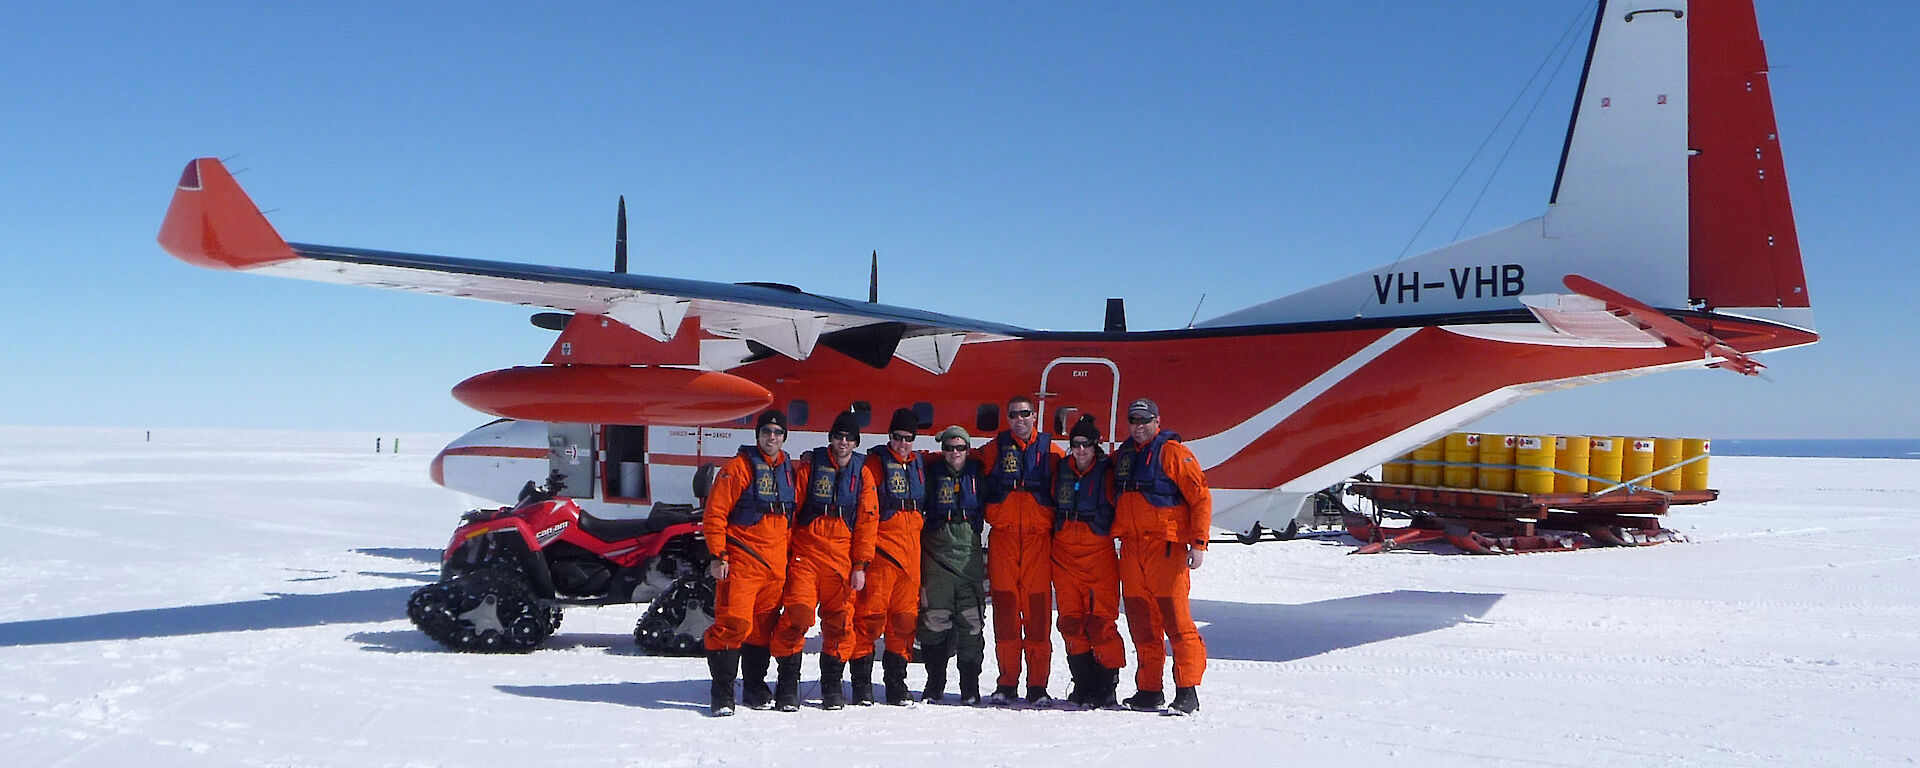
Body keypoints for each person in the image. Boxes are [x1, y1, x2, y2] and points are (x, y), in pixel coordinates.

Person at [1110, 398, 1212, 716]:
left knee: (1177, 623)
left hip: (1165, 549)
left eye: (1144, 420)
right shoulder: (1123, 456)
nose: (1138, 426)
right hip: (1131, 549)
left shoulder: (1174, 454)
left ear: (1157, 421)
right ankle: (1149, 689)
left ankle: (1187, 691)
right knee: (1142, 624)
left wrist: (1198, 544)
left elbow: (1201, 498)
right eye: (1133, 420)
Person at [770, 410, 878, 711]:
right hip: (807, 554)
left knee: (841, 623)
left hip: (842, 560)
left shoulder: (863, 474)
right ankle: (787, 686)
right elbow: (791, 511)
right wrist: (785, 554)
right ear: (831, 438)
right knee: (798, 614)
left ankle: (832, 686)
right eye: (838, 436)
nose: (843, 442)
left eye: (849, 438)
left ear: (855, 442)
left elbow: (868, 523)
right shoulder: (811, 466)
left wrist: (861, 565)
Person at [701, 410, 797, 717]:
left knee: (761, 630)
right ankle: (722, 694)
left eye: (777, 432)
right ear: (757, 435)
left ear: (784, 437)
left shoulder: (788, 470)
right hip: (743, 561)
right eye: (766, 431)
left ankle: (755, 687)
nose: (772, 437)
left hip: (774, 566)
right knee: (734, 625)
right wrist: (718, 555)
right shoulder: (738, 468)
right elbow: (715, 514)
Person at [973, 394, 1063, 706]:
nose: (1019, 419)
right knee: (1006, 617)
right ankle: (1007, 683)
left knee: (1037, 618)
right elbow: (961, 461)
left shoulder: (1052, 453)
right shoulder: (994, 450)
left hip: (1039, 541)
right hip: (1004, 540)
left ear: (1035, 416)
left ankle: (1037, 687)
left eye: (1024, 413)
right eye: (1013, 414)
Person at [851, 408, 927, 705]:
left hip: (911, 560)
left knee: (905, 623)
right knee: (869, 619)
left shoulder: (920, 463)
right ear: (889, 436)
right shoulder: (873, 464)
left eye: (907, 438)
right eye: (897, 437)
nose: (901, 444)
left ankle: (896, 683)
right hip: (882, 555)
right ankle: (861, 685)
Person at [1050, 414, 1124, 709]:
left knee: (1101, 624)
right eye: (1076, 444)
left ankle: (1106, 685)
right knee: (1070, 622)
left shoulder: (1109, 472)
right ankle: (1082, 682)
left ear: (1096, 446)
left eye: (1086, 445)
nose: (1081, 451)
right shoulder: (1060, 470)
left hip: (1098, 557)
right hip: (1065, 556)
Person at [918, 425, 987, 705]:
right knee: (935, 622)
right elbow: (904, 455)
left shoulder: (979, 474)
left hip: (968, 558)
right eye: (948, 447)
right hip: (937, 558)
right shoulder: (930, 472)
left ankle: (969, 686)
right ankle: (935, 683)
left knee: (971, 623)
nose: (954, 453)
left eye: (960, 448)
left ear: (967, 450)